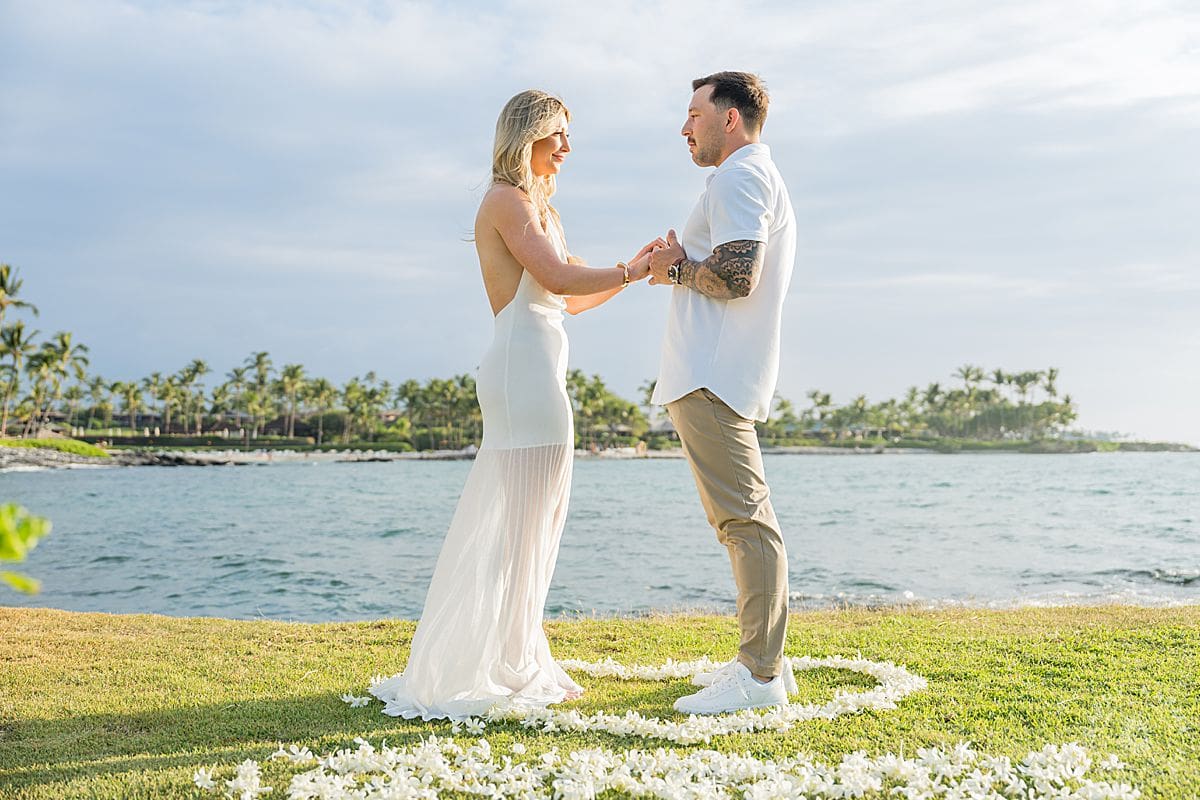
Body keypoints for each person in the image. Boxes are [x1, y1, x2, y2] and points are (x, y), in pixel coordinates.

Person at [369, 89, 660, 720]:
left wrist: (635, 267)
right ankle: (510, 663)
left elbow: (573, 299)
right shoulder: (505, 201)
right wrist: (634, 271)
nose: (567, 146)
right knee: (527, 523)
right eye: (558, 133)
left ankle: (518, 651)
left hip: (538, 365)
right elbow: (557, 280)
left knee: (541, 520)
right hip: (520, 370)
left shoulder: (540, 209)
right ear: (526, 135)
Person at [647, 71, 798, 714]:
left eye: (693, 114)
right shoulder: (743, 178)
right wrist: (682, 261)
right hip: (711, 374)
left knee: (746, 524)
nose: (685, 128)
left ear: (729, 118)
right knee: (739, 523)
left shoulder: (739, 176)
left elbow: (739, 275)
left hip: (712, 375)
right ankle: (767, 668)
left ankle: (759, 677)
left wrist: (673, 269)